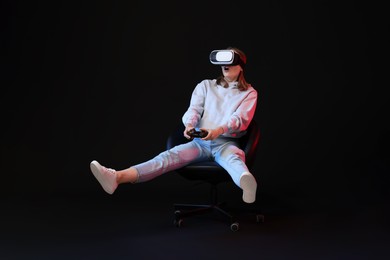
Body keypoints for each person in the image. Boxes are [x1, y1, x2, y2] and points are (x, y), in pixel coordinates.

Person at [90, 47, 258, 203]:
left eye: (230, 62)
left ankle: (247, 184)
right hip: (200, 142)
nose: (225, 66)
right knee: (166, 158)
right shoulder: (206, 85)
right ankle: (116, 177)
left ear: (241, 66)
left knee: (234, 159)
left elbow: (239, 119)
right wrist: (190, 126)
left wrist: (218, 130)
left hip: (225, 143)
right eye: (222, 63)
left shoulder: (249, 93)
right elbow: (194, 109)